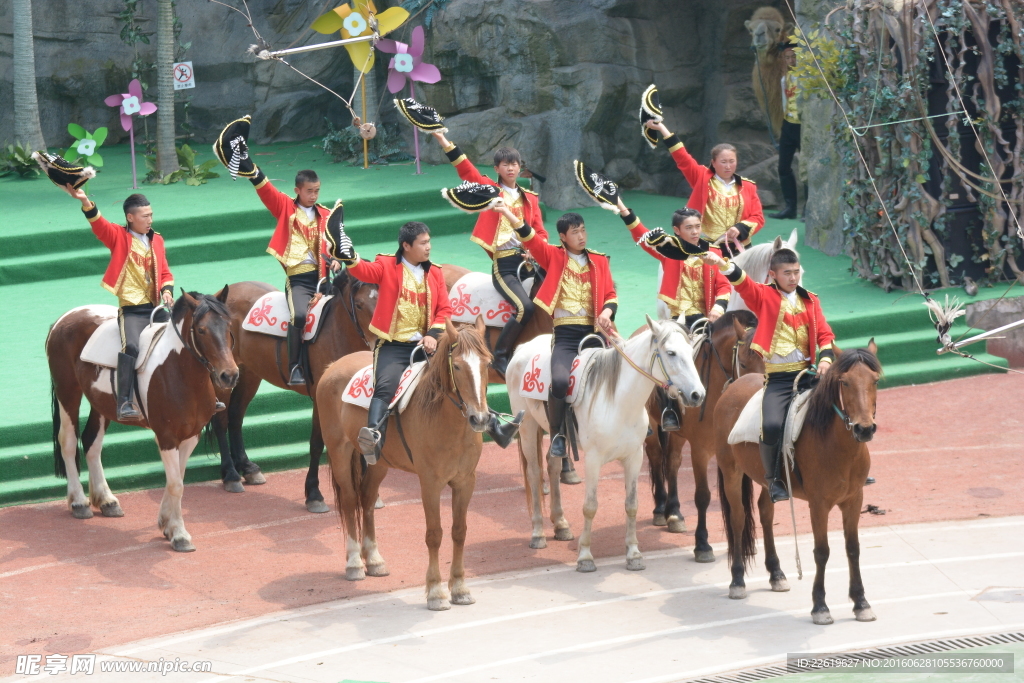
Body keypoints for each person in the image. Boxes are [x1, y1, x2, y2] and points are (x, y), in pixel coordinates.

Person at [334, 221, 521, 464]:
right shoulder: (386, 265)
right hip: (394, 346)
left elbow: (444, 309)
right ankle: (373, 437)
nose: (428, 247)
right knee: (386, 386)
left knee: (463, 372)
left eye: (429, 242)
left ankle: (495, 424)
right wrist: (350, 257)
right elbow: (363, 272)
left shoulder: (434, 272)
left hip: (427, 345)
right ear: (406, 245)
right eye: (423, 243)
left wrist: (432, 335)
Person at [702, 248, 834, 502]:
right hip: (779, 380)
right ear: (773, 275)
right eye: (787, 273)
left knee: (845, 409)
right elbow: (742, 282)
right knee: (772, 425)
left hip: (808, 375)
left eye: (796, 272)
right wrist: (721, 263)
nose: (793, 278)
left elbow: (825, 336)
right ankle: (775, 480)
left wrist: (826, 360)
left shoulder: (811, 300)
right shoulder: (763, 296)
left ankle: (847, 469)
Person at [500, 206, 618, 459]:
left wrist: (607, 313)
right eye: (575, 232)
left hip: (595, 334)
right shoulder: (553, 256)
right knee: (561, 382)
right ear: (563, 237)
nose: (581, 236)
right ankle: (557, 435)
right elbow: (529, 236)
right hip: (566, 337)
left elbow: (610, 295)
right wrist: (509, 215)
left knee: (626, 369)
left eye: (583, 230)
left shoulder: (598, 260)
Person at [431, 130, 549, 377]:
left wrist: (536, 251)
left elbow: (540, 231)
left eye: (515, 164)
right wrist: (443, 140)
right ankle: (501, 356)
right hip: (504, 266)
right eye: (506, 164)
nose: (511, 168)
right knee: (525, 307)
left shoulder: (530, 199)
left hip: (528, 263)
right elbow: (467, 171)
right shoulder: (490, 190)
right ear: (497, 168)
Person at [615, 197, 732, 430]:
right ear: (677, 231)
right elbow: (641, 233)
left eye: (698, 226)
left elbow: (724, 286)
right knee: (667, 357)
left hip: (706, 317)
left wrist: (718, 310)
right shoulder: (668, 251)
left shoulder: (713, 253)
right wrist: (622, 208)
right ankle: (668, 409)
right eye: (689, 228)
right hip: (677, 320)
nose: (695, 231)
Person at [63, 185, 175, 420]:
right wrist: (85, 200)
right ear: (130, 217)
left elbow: (165, 272)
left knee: (184, 337)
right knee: (132, 347)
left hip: (156, 308)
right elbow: (98, 224)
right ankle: (124, 401)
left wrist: (166, 291)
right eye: (145, 216)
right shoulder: (118, 236)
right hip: (133, 312)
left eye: (151, 215)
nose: (150, 219)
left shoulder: (158, 240)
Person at [244, 166, 336, 386]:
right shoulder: (285, 207)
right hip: (299, 281)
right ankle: (295, 366)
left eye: (317, 191)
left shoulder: (326, 214)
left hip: (324, 280)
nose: (313, 196)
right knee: (300, 317)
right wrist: (249, 167)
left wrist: (337, 260)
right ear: (297, 190)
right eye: (309, 191)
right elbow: (265, 189)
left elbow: (337, 245)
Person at [645, 120, 764, 254]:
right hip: (711, 249)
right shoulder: (702, 177)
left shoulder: (748, 186)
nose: (728, 166)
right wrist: (662, 128)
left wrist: (740, 228)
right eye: (723, 162)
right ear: (713, 162)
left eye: (732, 161)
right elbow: (682, 158)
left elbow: (758, 217)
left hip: (741, 248)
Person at [771, 42, 802, 220]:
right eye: (787, 57)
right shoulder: (785, 79)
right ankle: (790, 207)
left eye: (794, 57)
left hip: (803, 125)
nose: (791, 60)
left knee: (805, 168)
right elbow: (784, 102)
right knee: (783, 167)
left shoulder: (806, 79)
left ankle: (807, 209)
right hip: (788, 125)